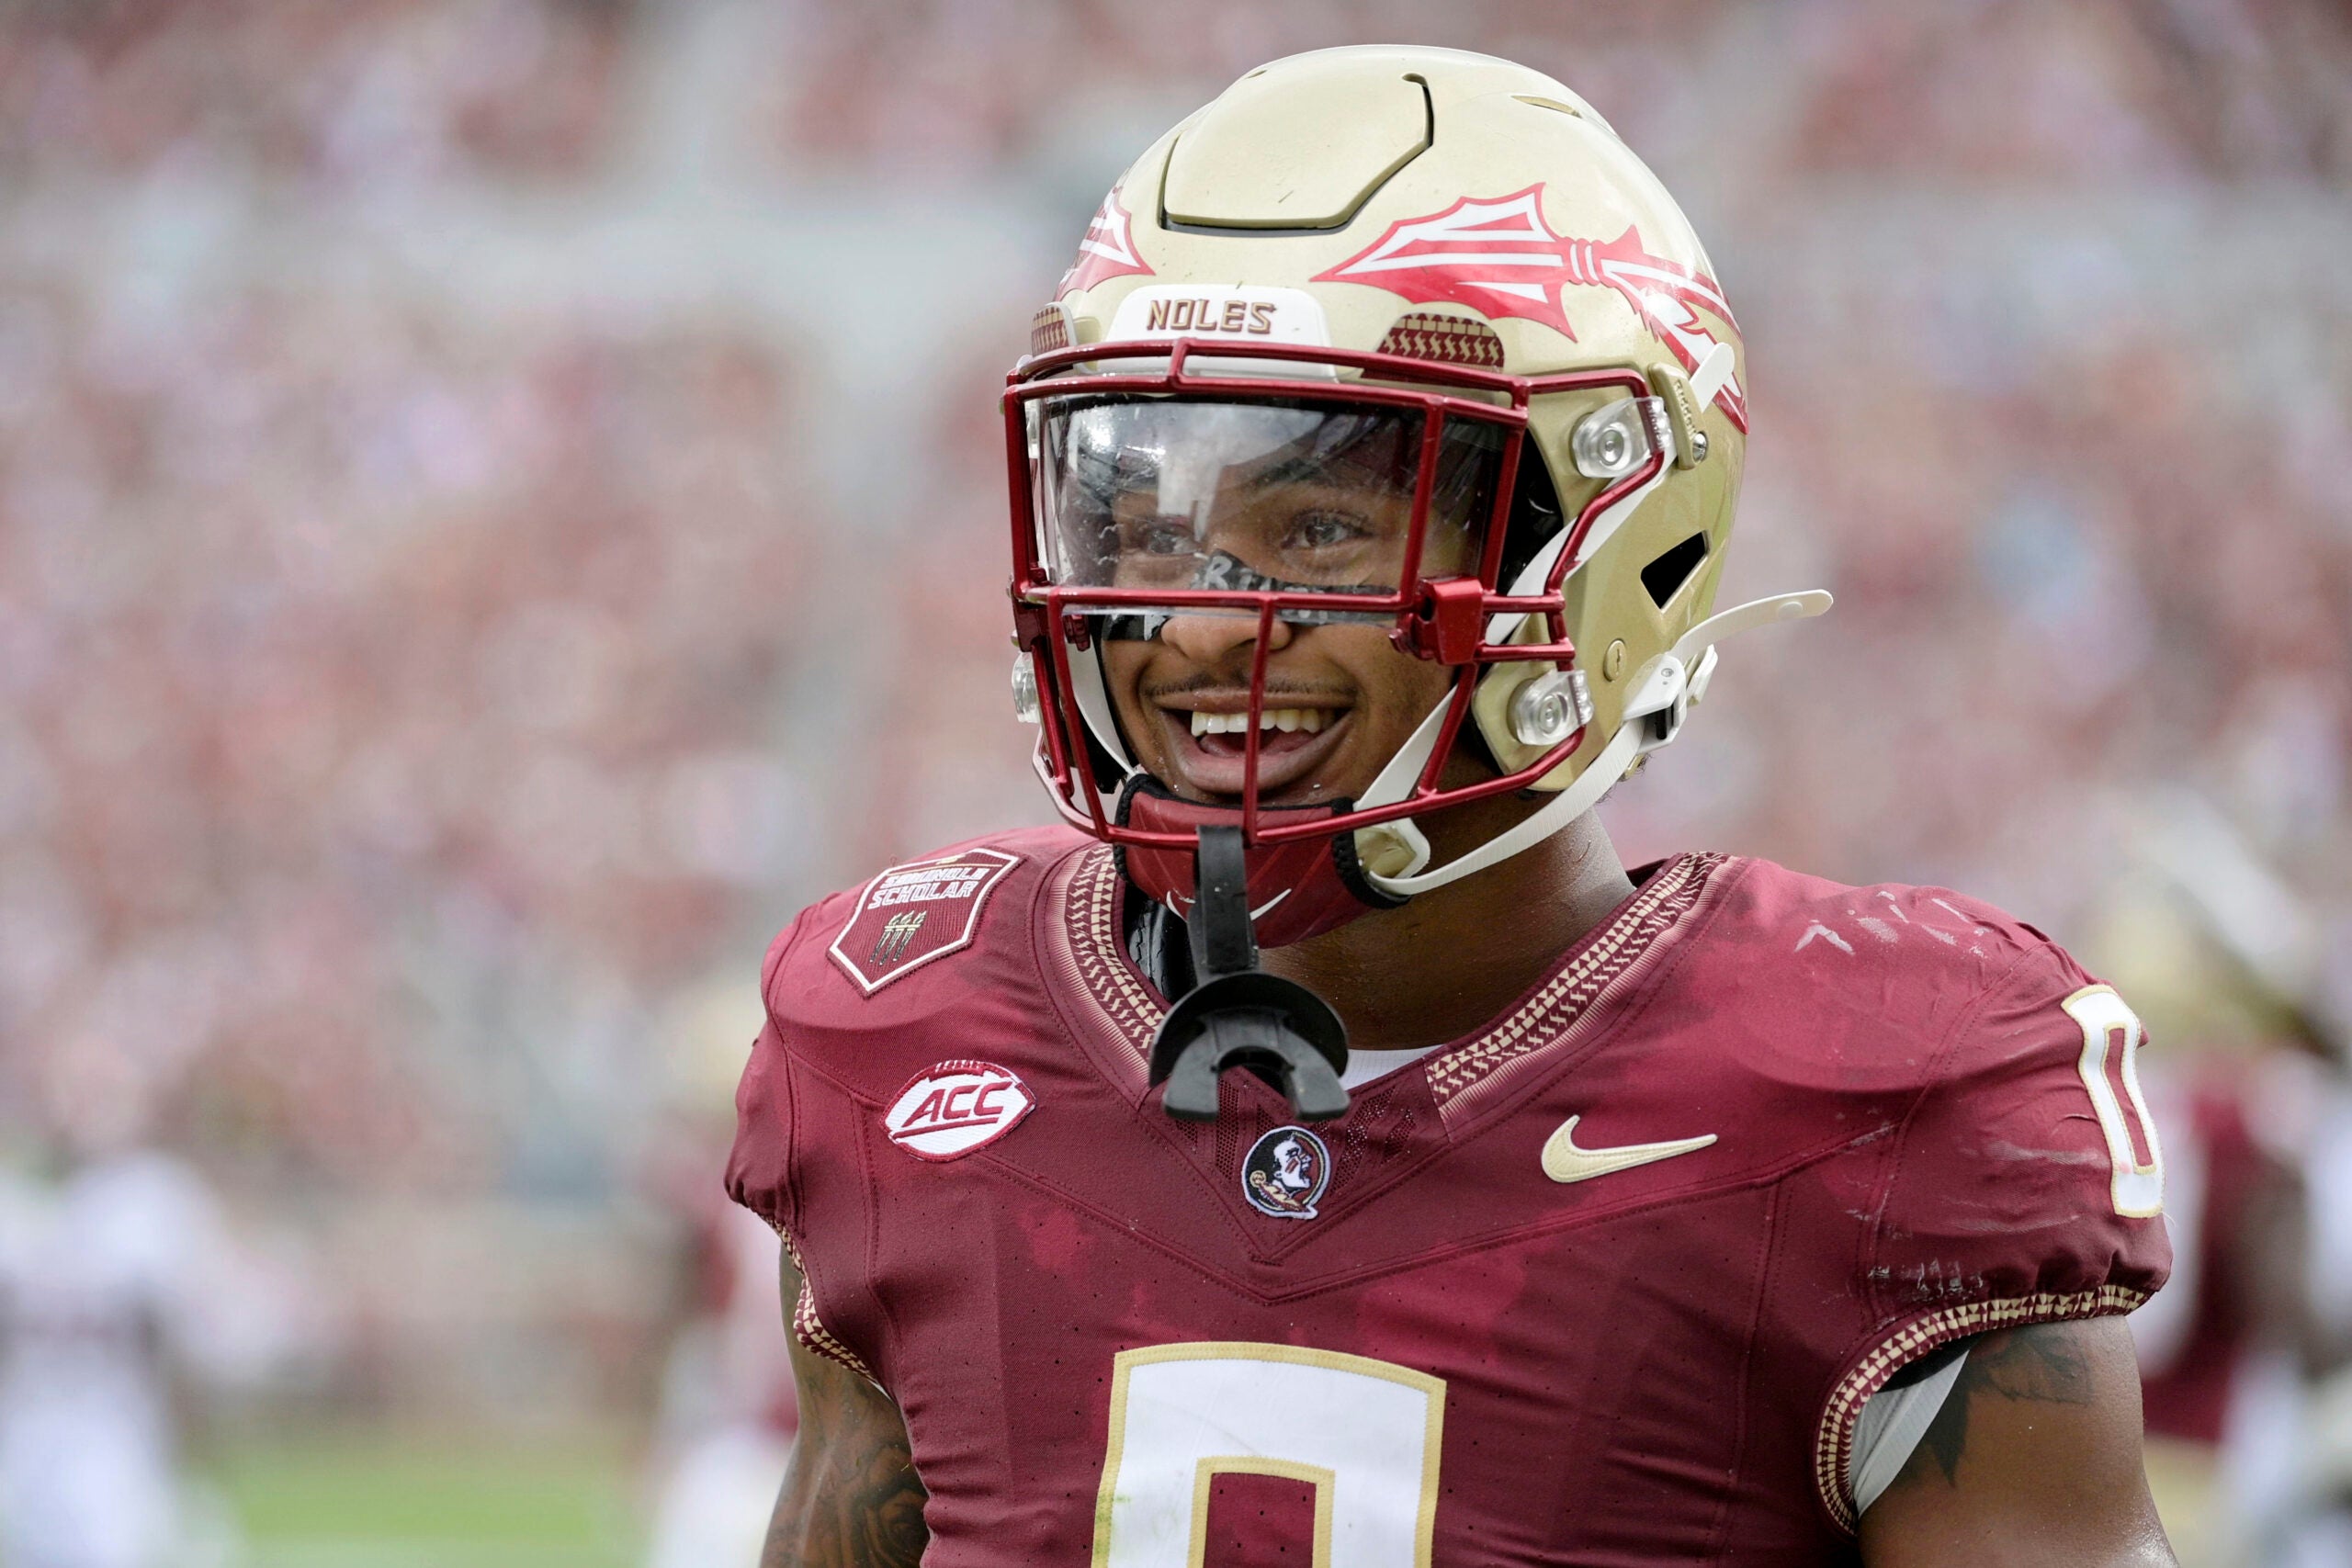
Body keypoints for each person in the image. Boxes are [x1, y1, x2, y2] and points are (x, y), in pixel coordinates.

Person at [729, 46, 2176, 1565]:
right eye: (1147, 524)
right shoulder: (909, 1026)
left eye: (1327, 527)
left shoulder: (1880, 1107)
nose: (1209, 622)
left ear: (1603, 537)